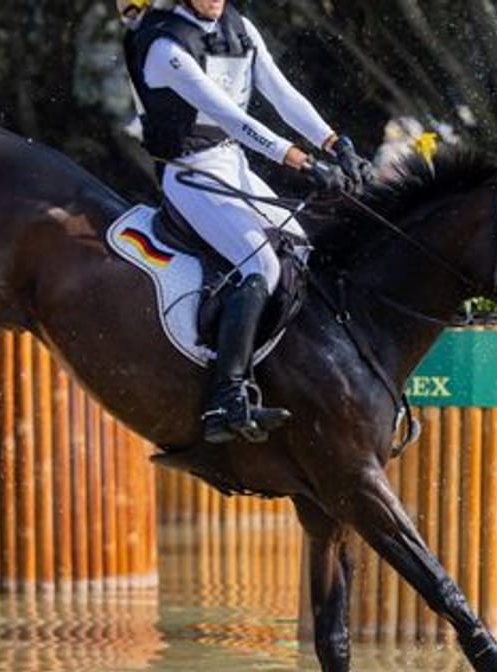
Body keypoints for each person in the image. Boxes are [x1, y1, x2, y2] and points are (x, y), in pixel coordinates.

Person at [119, 0, 371, 444]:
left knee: (300, 250)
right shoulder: (163, 44)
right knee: (263, 266)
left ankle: (280, 372)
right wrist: (300, 161)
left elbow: (282, 93)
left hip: (232, 164)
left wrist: (335, 142)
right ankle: (225, 395)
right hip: (190, 173)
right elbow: (231, 117)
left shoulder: (240, 28)